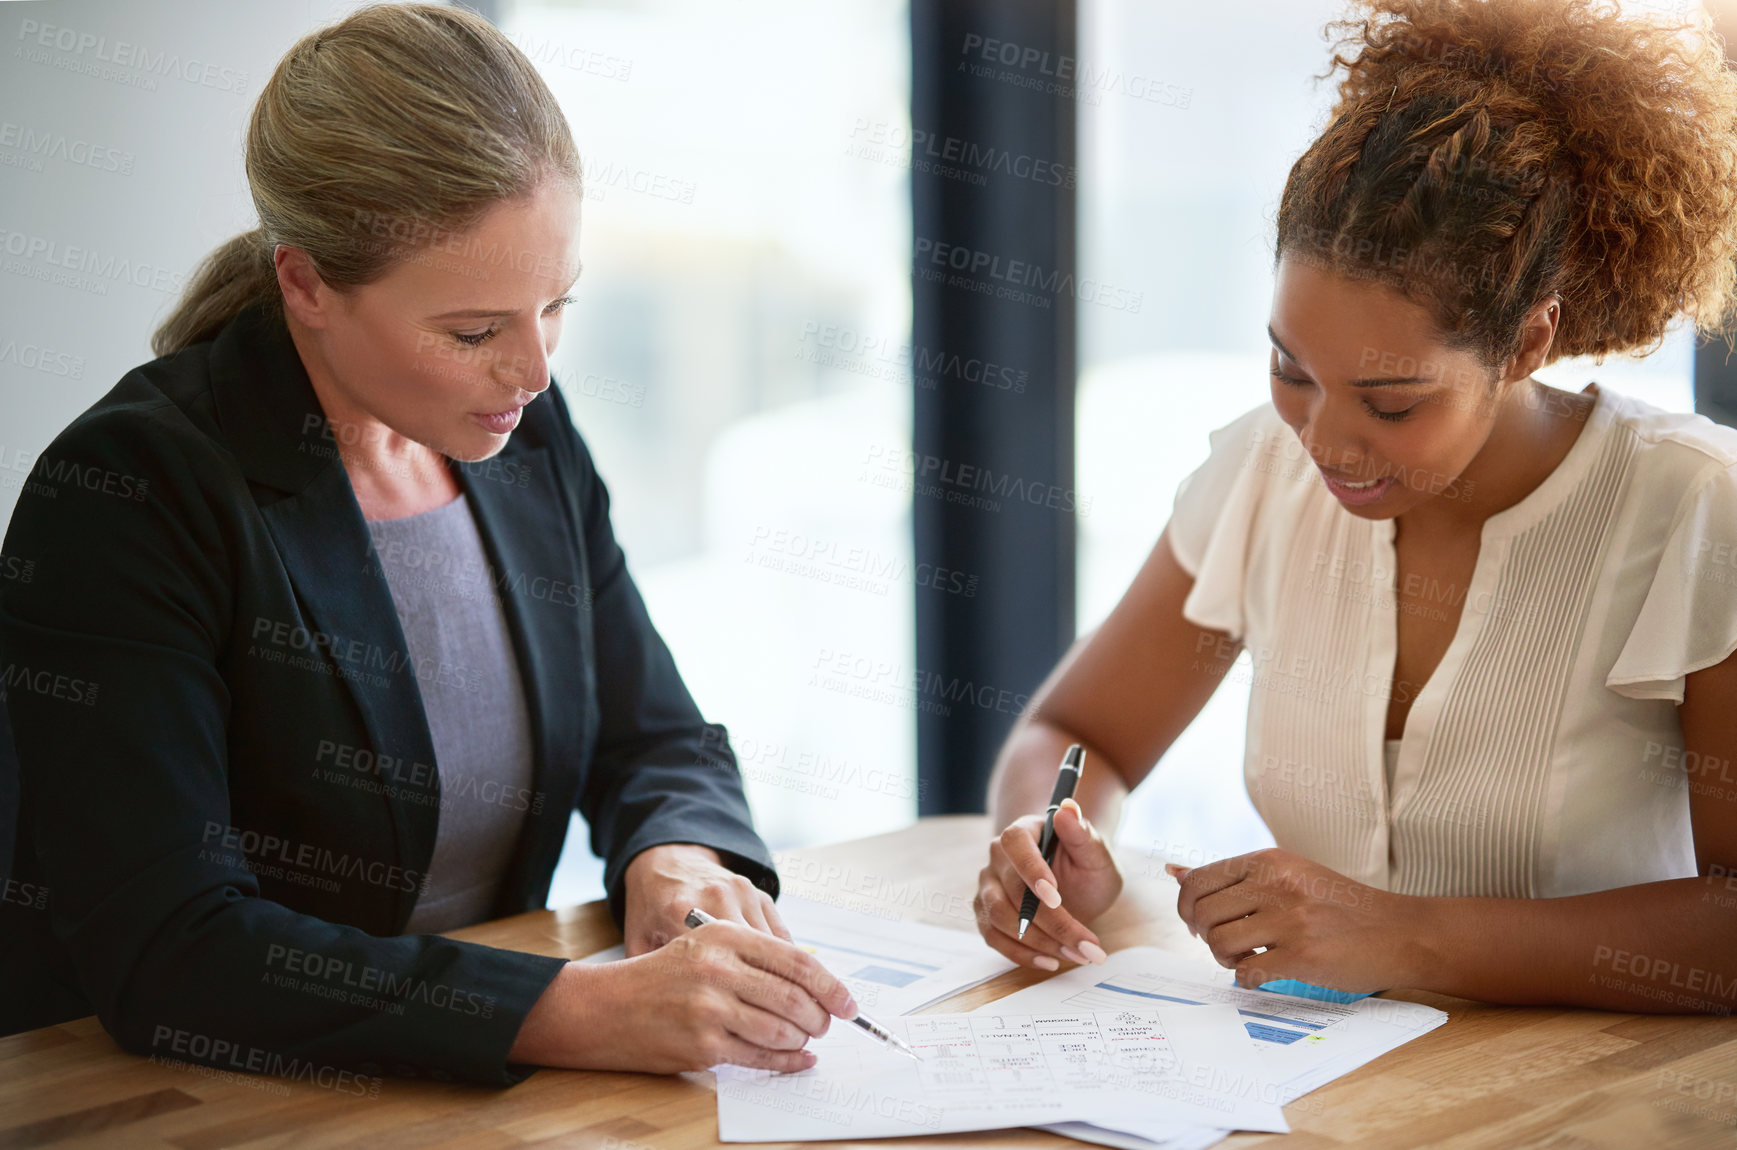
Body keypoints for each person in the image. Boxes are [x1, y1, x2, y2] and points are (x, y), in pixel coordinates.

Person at [0, 3, 855, 1082]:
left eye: (556, 305)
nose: (533, 371)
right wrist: (574, 1012)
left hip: (451, 1096)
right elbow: (174, 947)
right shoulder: (132, 490)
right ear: (305, 283)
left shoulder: (519, 432)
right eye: (473, 332)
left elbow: (653, 736)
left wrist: (677, 856)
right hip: (189, 1103)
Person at [977, 0, 1737, 1015]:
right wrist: (1053, 839)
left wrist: (1401, 933)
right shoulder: (1261, 467)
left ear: (1527, 343)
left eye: (1391, 402)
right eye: (1293, 371)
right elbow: (1077, 733)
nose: (1324, 443)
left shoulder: (1694, 506)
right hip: (1312, 1086)